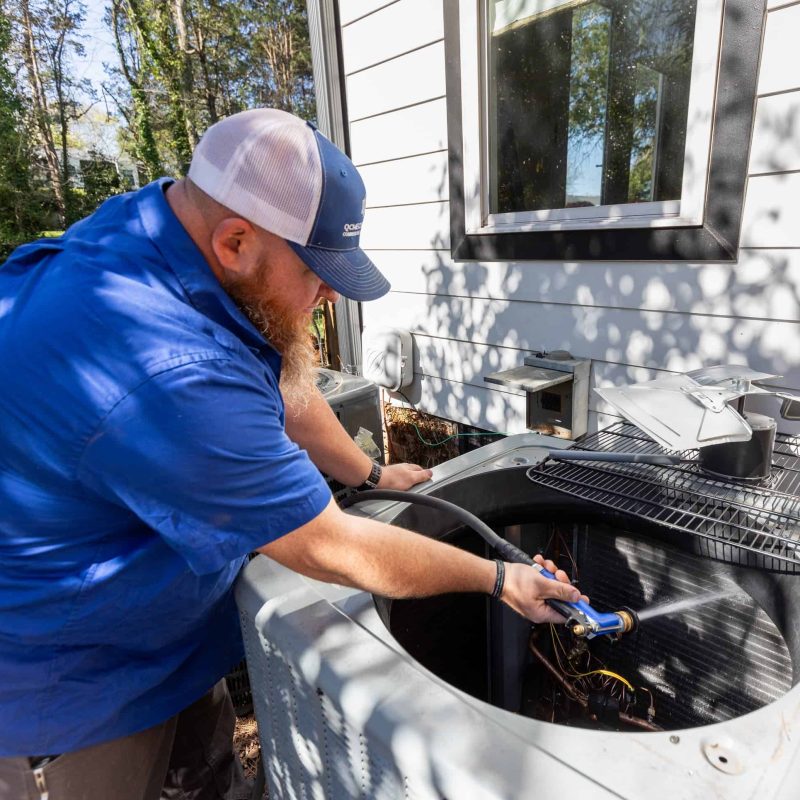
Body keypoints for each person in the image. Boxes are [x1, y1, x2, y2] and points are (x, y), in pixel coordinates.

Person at [0, 108, 581, 799]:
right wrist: (499, 579)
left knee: (211, 777)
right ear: (237, 241)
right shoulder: (162, 369)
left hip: (161, 639)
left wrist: (370, 472)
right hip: (69, 689)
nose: (330, 291)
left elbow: (276, 371)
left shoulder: (160, 230)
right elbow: (332, 549)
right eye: (315, 269)